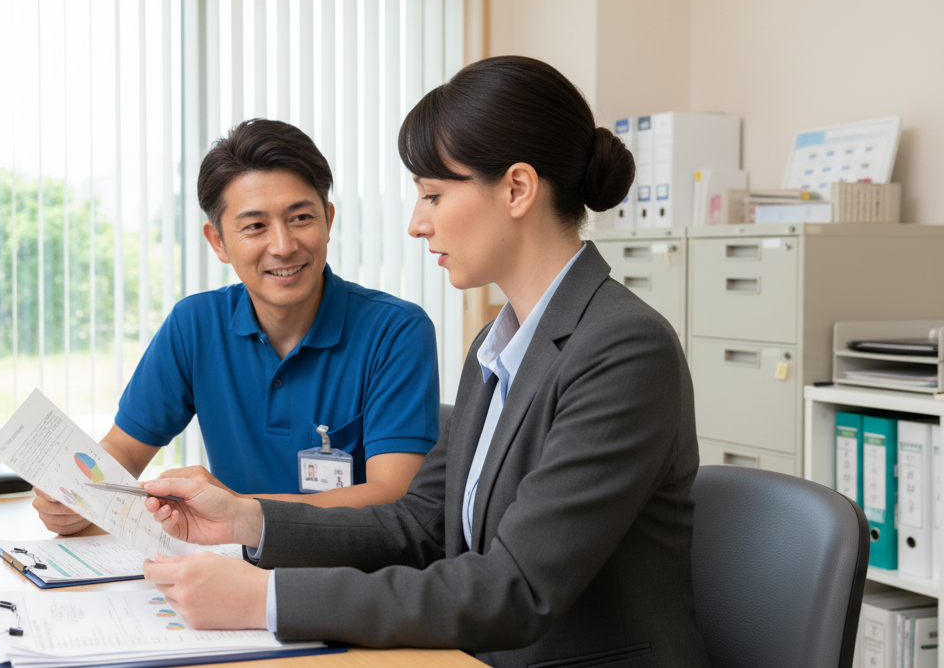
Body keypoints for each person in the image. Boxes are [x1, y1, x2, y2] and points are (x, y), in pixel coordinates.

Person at [137, 56, 710, 668]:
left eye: (433, 194)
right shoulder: (498, 343)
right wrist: (248, 521)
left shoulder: (623, 348)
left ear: (517, 189)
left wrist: (268, 599)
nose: (417, 223)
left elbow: (512, 590)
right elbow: (419, 522)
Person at [33, 119, 441, 535]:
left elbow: (393, 495)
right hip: (228, 564)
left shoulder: (396, 331)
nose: (283, 246)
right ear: (218, 242)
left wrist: (236, 509)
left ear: (328, 219)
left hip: (344, 577)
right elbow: (122, 448)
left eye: (301, 217)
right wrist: (77, 497)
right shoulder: (194, 325)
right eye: (255, 226)